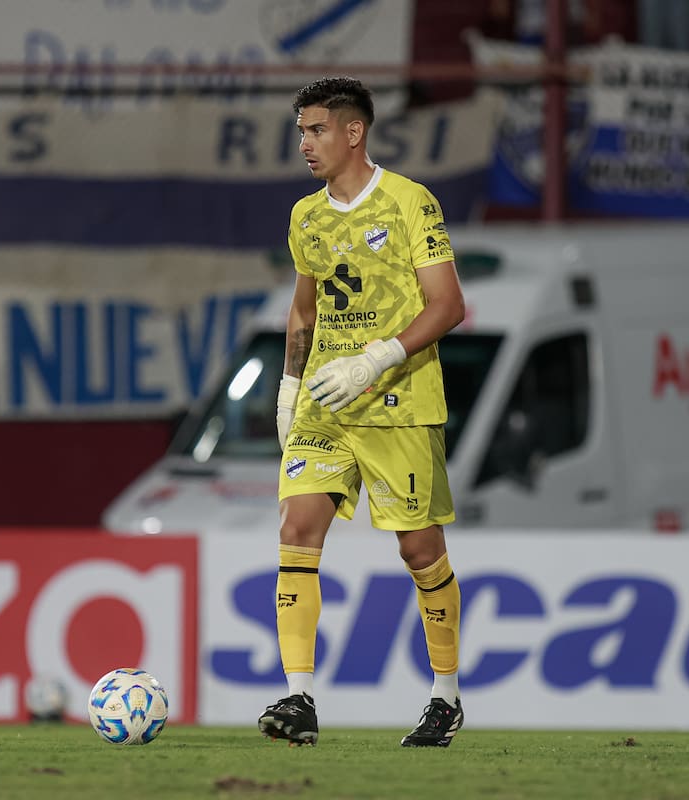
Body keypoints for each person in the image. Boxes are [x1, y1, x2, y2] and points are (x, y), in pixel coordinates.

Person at [257, 77, 467, 748]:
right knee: (298, 523)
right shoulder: (306, 216)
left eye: (315, 130)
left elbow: (447, 305)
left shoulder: (410, 202)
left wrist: (376, 359)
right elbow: (304, 309)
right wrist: (292, 387)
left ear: (354, 133)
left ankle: (446, 696)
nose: (305, 144)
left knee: (419, 548)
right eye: (300, 132)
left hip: (398, 399)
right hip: (326, 398)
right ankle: (298, 698)